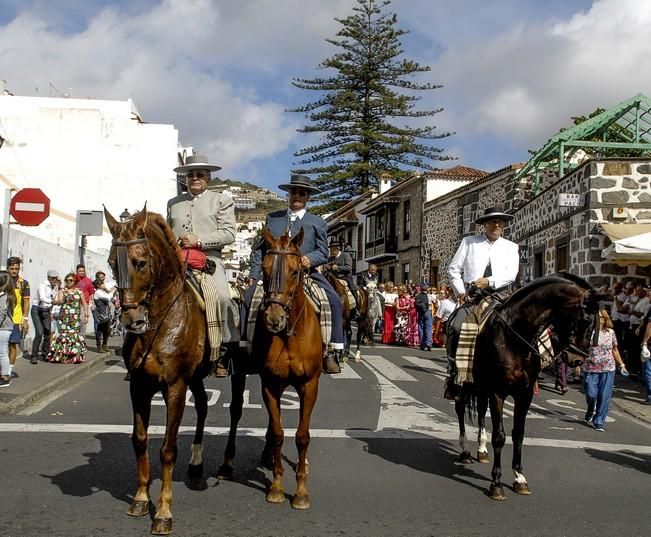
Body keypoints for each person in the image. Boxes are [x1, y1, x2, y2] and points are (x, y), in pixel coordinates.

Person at [246, 174, 345, 374]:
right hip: (273, 275)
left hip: (304, 273)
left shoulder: (317, 222)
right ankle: (245, 348)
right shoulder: (272, 218)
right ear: (288, 195)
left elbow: (323, 251)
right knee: (248, 300)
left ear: (307, 197)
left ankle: (331, 351)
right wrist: (254, 275)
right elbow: (259, 251)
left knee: (333, 300)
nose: (297, 196)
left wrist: (310, 259)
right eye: (294, 192)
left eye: (302, 193)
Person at [168, 154, 241, 377]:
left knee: (221, 297)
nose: (195, 178)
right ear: (185, 178)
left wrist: (199, 240)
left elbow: (229, 233)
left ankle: (224, 351)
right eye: (191, 175)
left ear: (208, 177)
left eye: (200, 174)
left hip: (209, 260)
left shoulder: (221, 200)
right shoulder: (173, 203)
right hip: (178, 261)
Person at [444, 207, 519, 399]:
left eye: (500, 223)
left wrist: (490, 281)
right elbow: (453, 269)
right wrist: (460, 292)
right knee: (455, 326)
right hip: (473, 298)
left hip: (501, 296)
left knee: (525, 329)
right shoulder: (469, 243)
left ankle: (526, 372)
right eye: (492, 222)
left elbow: (511, 274)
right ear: (484, 225)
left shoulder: (511, 247)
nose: (496, 226)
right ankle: (454, 372)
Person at [582, 310, 627, 432]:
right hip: (590, 367)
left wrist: (621, 364)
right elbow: (582, 348)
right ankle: (591, 408)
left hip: (608, 368)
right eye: (596, 317)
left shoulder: (610, 332)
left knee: (604, 396)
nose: (598, 319)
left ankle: (599, 422)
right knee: (590, 394)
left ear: (605, 319)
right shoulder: (589, 332)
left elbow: (615, 350)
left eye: (600, 317)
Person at [47, 272, 87, 364]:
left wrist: (86, 315)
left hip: (75, 317)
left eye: (71, 280)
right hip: (65, 317)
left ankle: (73, 356)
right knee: (65, 335)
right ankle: (64, 356)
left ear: (75, 281)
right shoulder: (62, 291)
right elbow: (60, 301)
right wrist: (55, 301)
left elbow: (84, 303)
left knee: (74, 335)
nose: (69, 282)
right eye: (67, 280)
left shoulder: (79, 291)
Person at [6, 257, 30, 379]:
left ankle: (9, 371)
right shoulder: (3, 281)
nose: (14, 271)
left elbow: (26, 302)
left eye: (16, 268)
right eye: (12, 268)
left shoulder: (23, 283)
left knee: (12, 345)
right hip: (3, 319)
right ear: (7, 268)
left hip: (16, 320)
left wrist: (25, 319)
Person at [30, 269, 60, 364]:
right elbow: (42, 298)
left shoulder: (55, 287)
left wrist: (51, 309)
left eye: (56, 278)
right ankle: (34, 355)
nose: (54, 280)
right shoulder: (43, 285)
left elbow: (53, 298)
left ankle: (45, 353)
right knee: (39, 332)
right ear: (48, 277)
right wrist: (52, 302)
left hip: (46, 310)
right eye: (52, 278)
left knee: (48, 331)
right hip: (37, 310)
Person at [327, 238, 359, 314]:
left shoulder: (346, 256)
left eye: (331, 249)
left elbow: (348, 267)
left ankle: (357, 308)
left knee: (352, 289)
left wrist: (338, 268)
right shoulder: (331, 258)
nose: (330, 251)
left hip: (345, 277)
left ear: (336, 249)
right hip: (335, 278)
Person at [93, 272, 117, 353]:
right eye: (102, 284)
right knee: (99, 330)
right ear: (98, 286)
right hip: (101, 312)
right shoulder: (98, 292)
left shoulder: (102, 291)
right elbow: (108, 297)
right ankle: (99, 346)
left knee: (107, 329)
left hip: (106, 312)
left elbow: (111, 299)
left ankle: (105, 345)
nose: (104, 285)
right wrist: (114, 290)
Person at [0, 271, 16, 388]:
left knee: (2, 353)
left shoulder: (3, 296)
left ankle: (5, 376)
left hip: (3, 328)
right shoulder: (8, 295)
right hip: (5, 328)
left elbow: (2, 313)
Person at [74, 264, 94, 332]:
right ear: (76, 271)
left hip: (84, 304)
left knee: (83, 322)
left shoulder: (88, 280)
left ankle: (82, 339)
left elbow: (91, 292)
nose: (82, 272)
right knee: (74, 322)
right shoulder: (73, 280)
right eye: (80, 271)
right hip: (74, 304)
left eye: (83, 271)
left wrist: (92, 303)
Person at [414, 283, 432, 351]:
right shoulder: (429, 295)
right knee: (428, 328)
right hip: (428, 311)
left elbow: (415, 304)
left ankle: (422, 343)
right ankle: (429, 343)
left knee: (421, 327)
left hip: (421, 312)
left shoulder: (418, 296)